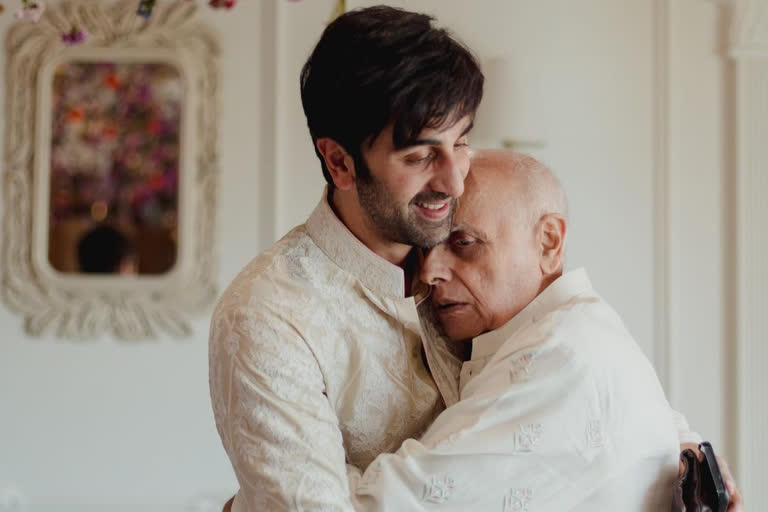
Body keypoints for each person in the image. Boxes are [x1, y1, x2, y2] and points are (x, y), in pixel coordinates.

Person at [209, 6, 741, 512]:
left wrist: (685, 454)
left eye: (461, 141)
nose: (454, 178)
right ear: (340, 161)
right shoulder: (268, 315)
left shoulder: (467, 251)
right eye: (419, 156)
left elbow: (573, 367)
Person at [346, 151, 739, 511]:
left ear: (548, 241)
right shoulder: (582, 331)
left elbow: (377, 506)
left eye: (464, 242)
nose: (430, 272)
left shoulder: (559, 357)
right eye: (425, 248)